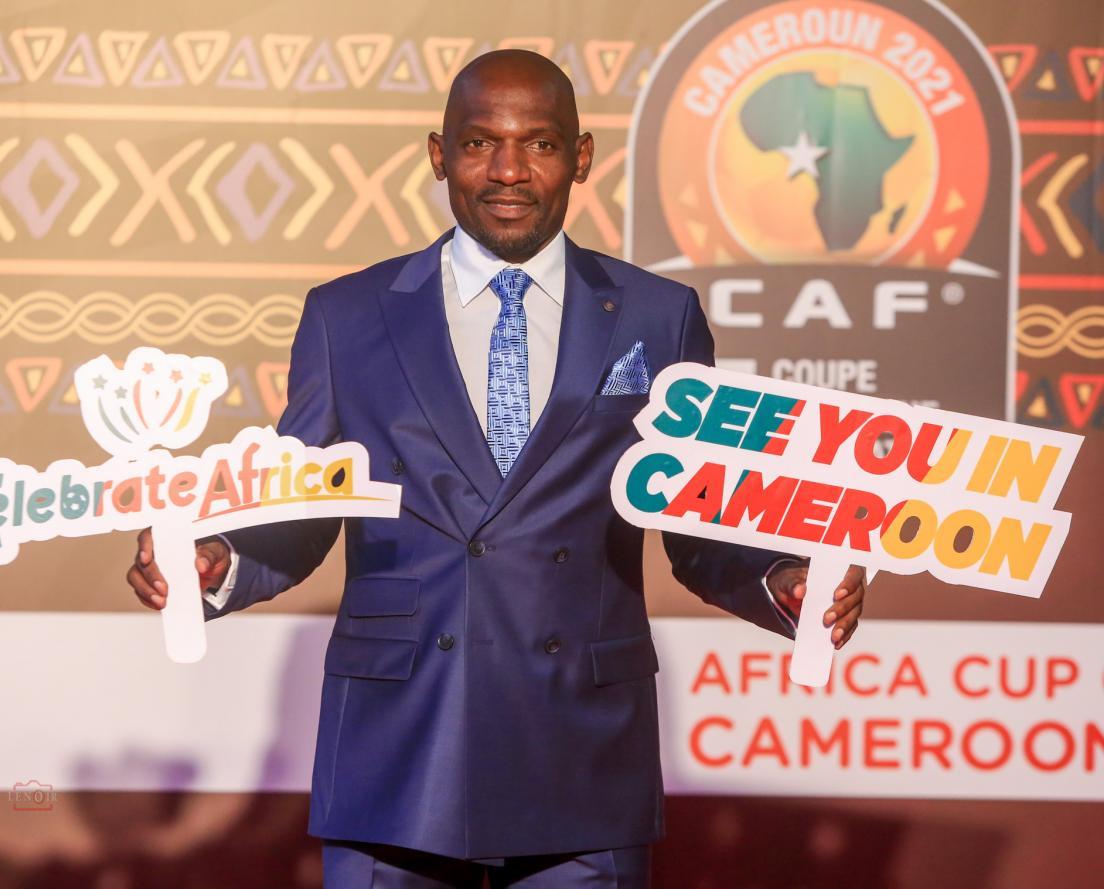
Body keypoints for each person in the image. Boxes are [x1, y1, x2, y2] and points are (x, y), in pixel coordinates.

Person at [126, 49, 866, 888]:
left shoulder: (660, 318)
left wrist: (782, 578)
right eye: (480, 143)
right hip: (399, 746)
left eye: (539, 144)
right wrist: (215, 559)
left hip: (581, 751)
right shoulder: (347, 316)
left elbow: (699, 517)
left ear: (580, 157)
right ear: (439, 155)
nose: (508, 171)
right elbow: (305, 502)